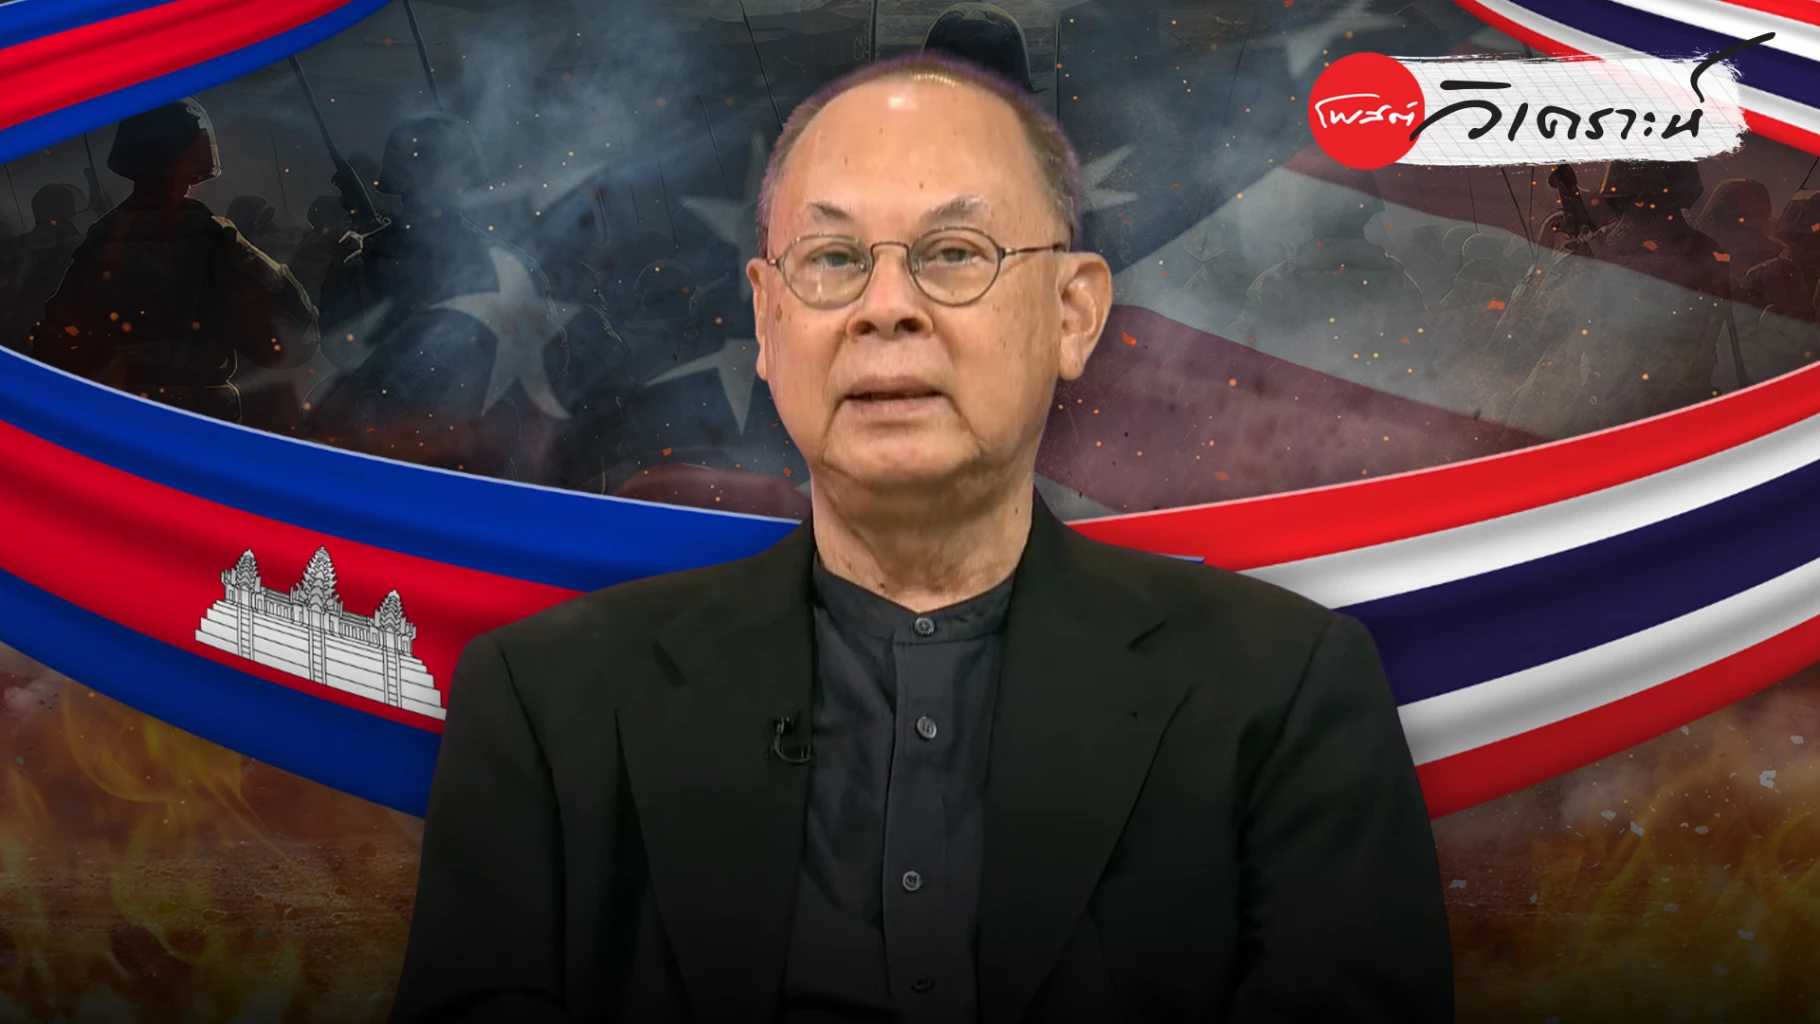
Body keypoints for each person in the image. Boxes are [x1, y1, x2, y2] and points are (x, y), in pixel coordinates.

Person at [390, 52, 1452, 1024]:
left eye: (953, 252)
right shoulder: (545, 706)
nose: (885, 308)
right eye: (833, 258)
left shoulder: (1285, 694)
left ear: (1073, 313)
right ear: (766, 321)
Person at [30, 99, 317, 423]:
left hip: (116, 413)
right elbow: (293, 339)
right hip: (199, 416)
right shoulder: (215, 240)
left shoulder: (100, 242)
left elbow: (53, 342)